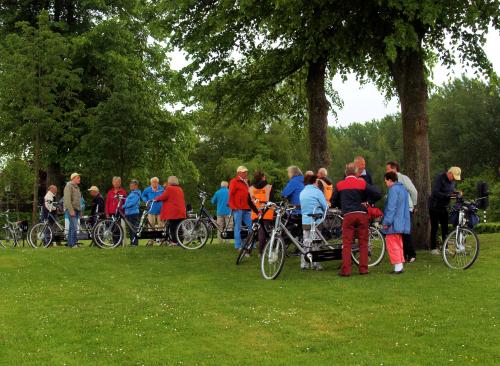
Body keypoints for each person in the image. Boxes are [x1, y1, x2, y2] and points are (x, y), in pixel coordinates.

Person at [331, 163, 381, 276]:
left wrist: (342, 204)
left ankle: (346, 270)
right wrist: (368, 202)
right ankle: (363, 269)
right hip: (362, 214)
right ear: (356, 172)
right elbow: (377, 193)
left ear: (345, 172)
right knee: (363, 243)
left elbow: (333, 201)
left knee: (347, 243)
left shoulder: (340, 185)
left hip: (348, 215)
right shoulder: (362, 183)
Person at [386, 161, 418, 262]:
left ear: (394, 169)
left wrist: (413, 205)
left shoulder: (403, 178)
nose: (386, 171)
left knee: (405, 231)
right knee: (400, 232)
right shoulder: (392, 181)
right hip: (400, 209)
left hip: (405, 208)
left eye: (388, 169)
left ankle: (411, 254)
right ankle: (403, 254)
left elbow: (413, 191)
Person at [382, 172, 411, 274]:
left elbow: (391, 208)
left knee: (392, 244)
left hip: (394, 222)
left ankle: (397, 267)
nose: (385, 183)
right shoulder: (403, 189)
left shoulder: (393, 190)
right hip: (401, 221)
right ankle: (400, 265)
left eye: (386, 181)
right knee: (399, 244)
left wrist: (386, 222)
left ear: (390, 180)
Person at [429, 167, 461, 255]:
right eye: (453, 177)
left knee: (445, 228)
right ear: (450, 173)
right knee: (435, 227)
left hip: (444, 206)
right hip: (434, 206)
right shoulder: (440, 178)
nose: (454, 179)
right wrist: (447, 195)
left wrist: (456, 193)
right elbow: (435, 192)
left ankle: (445, 247)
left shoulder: (453, 181)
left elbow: (451, 191)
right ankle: (433, 248)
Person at [299, 174, 328, 271]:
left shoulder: (302, 192)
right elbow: (325, 206)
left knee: (306, 242)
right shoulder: (317, 192)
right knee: (316, 243)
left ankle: (304, 264)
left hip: (305, 221)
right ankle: (316, 264)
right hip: (316, 221)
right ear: (314, 182)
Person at [154, 176, 187, 245]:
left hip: (173, 212)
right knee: (179, 227)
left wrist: (156, 199)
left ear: (170, 181)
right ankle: (180, 241)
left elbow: (164, 196)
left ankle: (174, 242)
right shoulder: (180, 188)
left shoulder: (169, 188)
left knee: (173, 227)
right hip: (181, 210)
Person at [249, 171, 274, 255]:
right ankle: (261, 252)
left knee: (254, 232)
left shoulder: (251, 188)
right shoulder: (269, 187)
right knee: (262, 232)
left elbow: (250, 201)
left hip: (255, 213)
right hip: (266, 213)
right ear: (263, 177)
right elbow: (271, 201)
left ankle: (248, 250)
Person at [229, 166, 253, 250]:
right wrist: (232, 206)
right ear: (238, 173)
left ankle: (251, 244)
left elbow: (249, 195)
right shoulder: (234, 181)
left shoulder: (246, 182)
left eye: (246, 172)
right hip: (238, 208)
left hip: (247, 208)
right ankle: (238, 245)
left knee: (252, 226)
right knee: (238, 228)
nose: (246, 173)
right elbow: (231, 194)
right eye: (244, 172)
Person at [63, 173, 82, 248]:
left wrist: (80, 211)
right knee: (74, 226)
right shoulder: (68, 186)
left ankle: (70, 244)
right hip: (71, 209)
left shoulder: (77, 188)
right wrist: (71, 210)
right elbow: (67, 200)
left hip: (76, 209)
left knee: (72, 227)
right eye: (78, 178)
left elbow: (78, 201)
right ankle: (73, 244)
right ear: (73, 178)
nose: (79, 179)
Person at [123, 180, 142, 246]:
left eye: (132, 185)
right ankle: (132, 242)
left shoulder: (136, 193)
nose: (130, 187)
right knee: (130, 229)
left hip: (133, 213)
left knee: (134, 228)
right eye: (130, 185)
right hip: (128, 213)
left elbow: (132, 203)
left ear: (136, 186)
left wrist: (124, 206)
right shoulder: (132, 193)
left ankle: (135, 243)